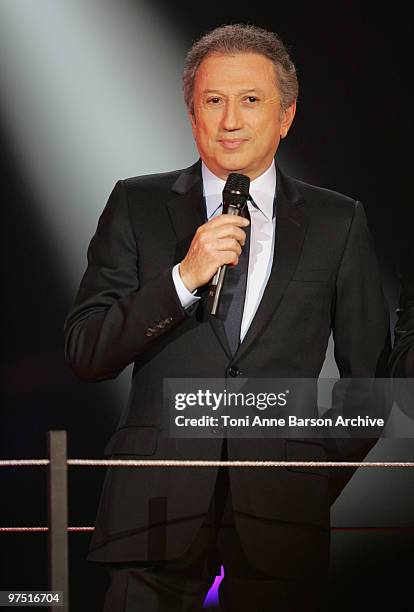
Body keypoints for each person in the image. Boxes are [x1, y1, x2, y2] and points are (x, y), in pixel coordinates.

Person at [64, 24, 390, 612]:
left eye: (250, 100)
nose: (230, 120)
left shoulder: (337, 222)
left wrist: (308, 477)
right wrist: (182, 278)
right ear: (192, 114)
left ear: (286, 116)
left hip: (280, 516)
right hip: (153, 514)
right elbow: (87, 349)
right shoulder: (137, 204)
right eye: (213, 101)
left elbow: (371, 383)